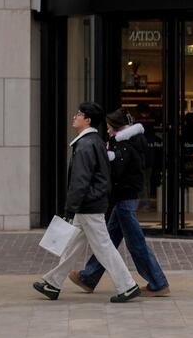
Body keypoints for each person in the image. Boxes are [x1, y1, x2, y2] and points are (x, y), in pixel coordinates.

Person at [32, 102, 140, 303]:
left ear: (88, 120)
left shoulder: (85, 144)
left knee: (103, 247)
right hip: (90, 203)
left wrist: (70, 207)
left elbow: (80, 180)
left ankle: (127, 285)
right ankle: (53, 283)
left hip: (88, 204)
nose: (75, 116)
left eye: (79, 114)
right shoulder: (93, 141)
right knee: (73, 246)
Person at [71, 108, 171, 296]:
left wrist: (104, 161)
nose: (107, 131)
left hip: (124, 199)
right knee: (108, 240)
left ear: (117, 127)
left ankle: (158, 282)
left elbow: (116, 171)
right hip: (122, 199)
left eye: (109, 128)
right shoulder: (126, 142)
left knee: (135, 243)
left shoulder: (124, 144)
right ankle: (89, 277)